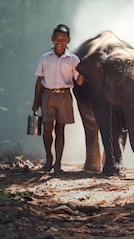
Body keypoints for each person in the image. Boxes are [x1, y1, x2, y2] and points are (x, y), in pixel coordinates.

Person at [32, 24, 84, 173]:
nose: (59, 41)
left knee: (60, 129)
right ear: (52, 39)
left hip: (65, 95)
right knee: (47, 128)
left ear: (69, 40)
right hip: (47, 95)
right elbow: (39, 80)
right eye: (56, 38)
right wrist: (36, 101)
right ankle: (49, 158)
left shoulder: (73, 59)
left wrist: (84, 70)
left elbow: (79, 82)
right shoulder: (45, 58)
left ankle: (58, 163)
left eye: (63, 39)